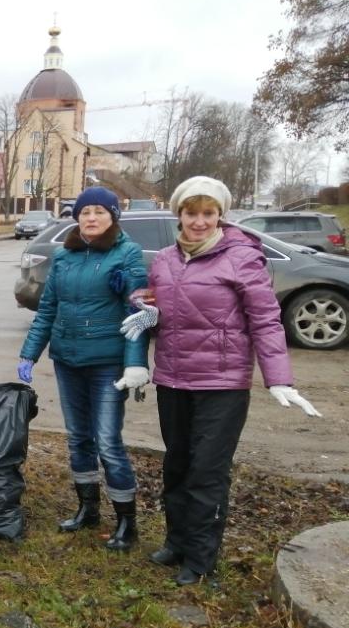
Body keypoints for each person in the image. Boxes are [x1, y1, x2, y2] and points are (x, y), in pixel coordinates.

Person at [120, 176, 321, 586]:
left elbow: (265, 320)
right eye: (191, 213)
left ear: (220, 215)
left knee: (206, 473)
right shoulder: (165, 260)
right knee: (176, 465)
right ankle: (176, 542)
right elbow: (159, 300)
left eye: (207, 213)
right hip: (174, 379)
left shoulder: (242, 258)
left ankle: (200, 556)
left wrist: (278, 378)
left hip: (222, 385)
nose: (199, 222)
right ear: (179, 214)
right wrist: (143, 304)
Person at [17, 187, 150, 551]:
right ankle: (87, 508)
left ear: (113, 216)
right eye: (85, 211)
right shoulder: (64, 256)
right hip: (68, 360)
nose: (91, 218)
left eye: (99, 211)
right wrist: (30, 353)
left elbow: (138, 313)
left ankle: (126, 521)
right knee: (78, 437)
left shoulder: (127, 254)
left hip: (108, 364)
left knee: (107, 440)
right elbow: (48, 308)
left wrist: (135, 363)